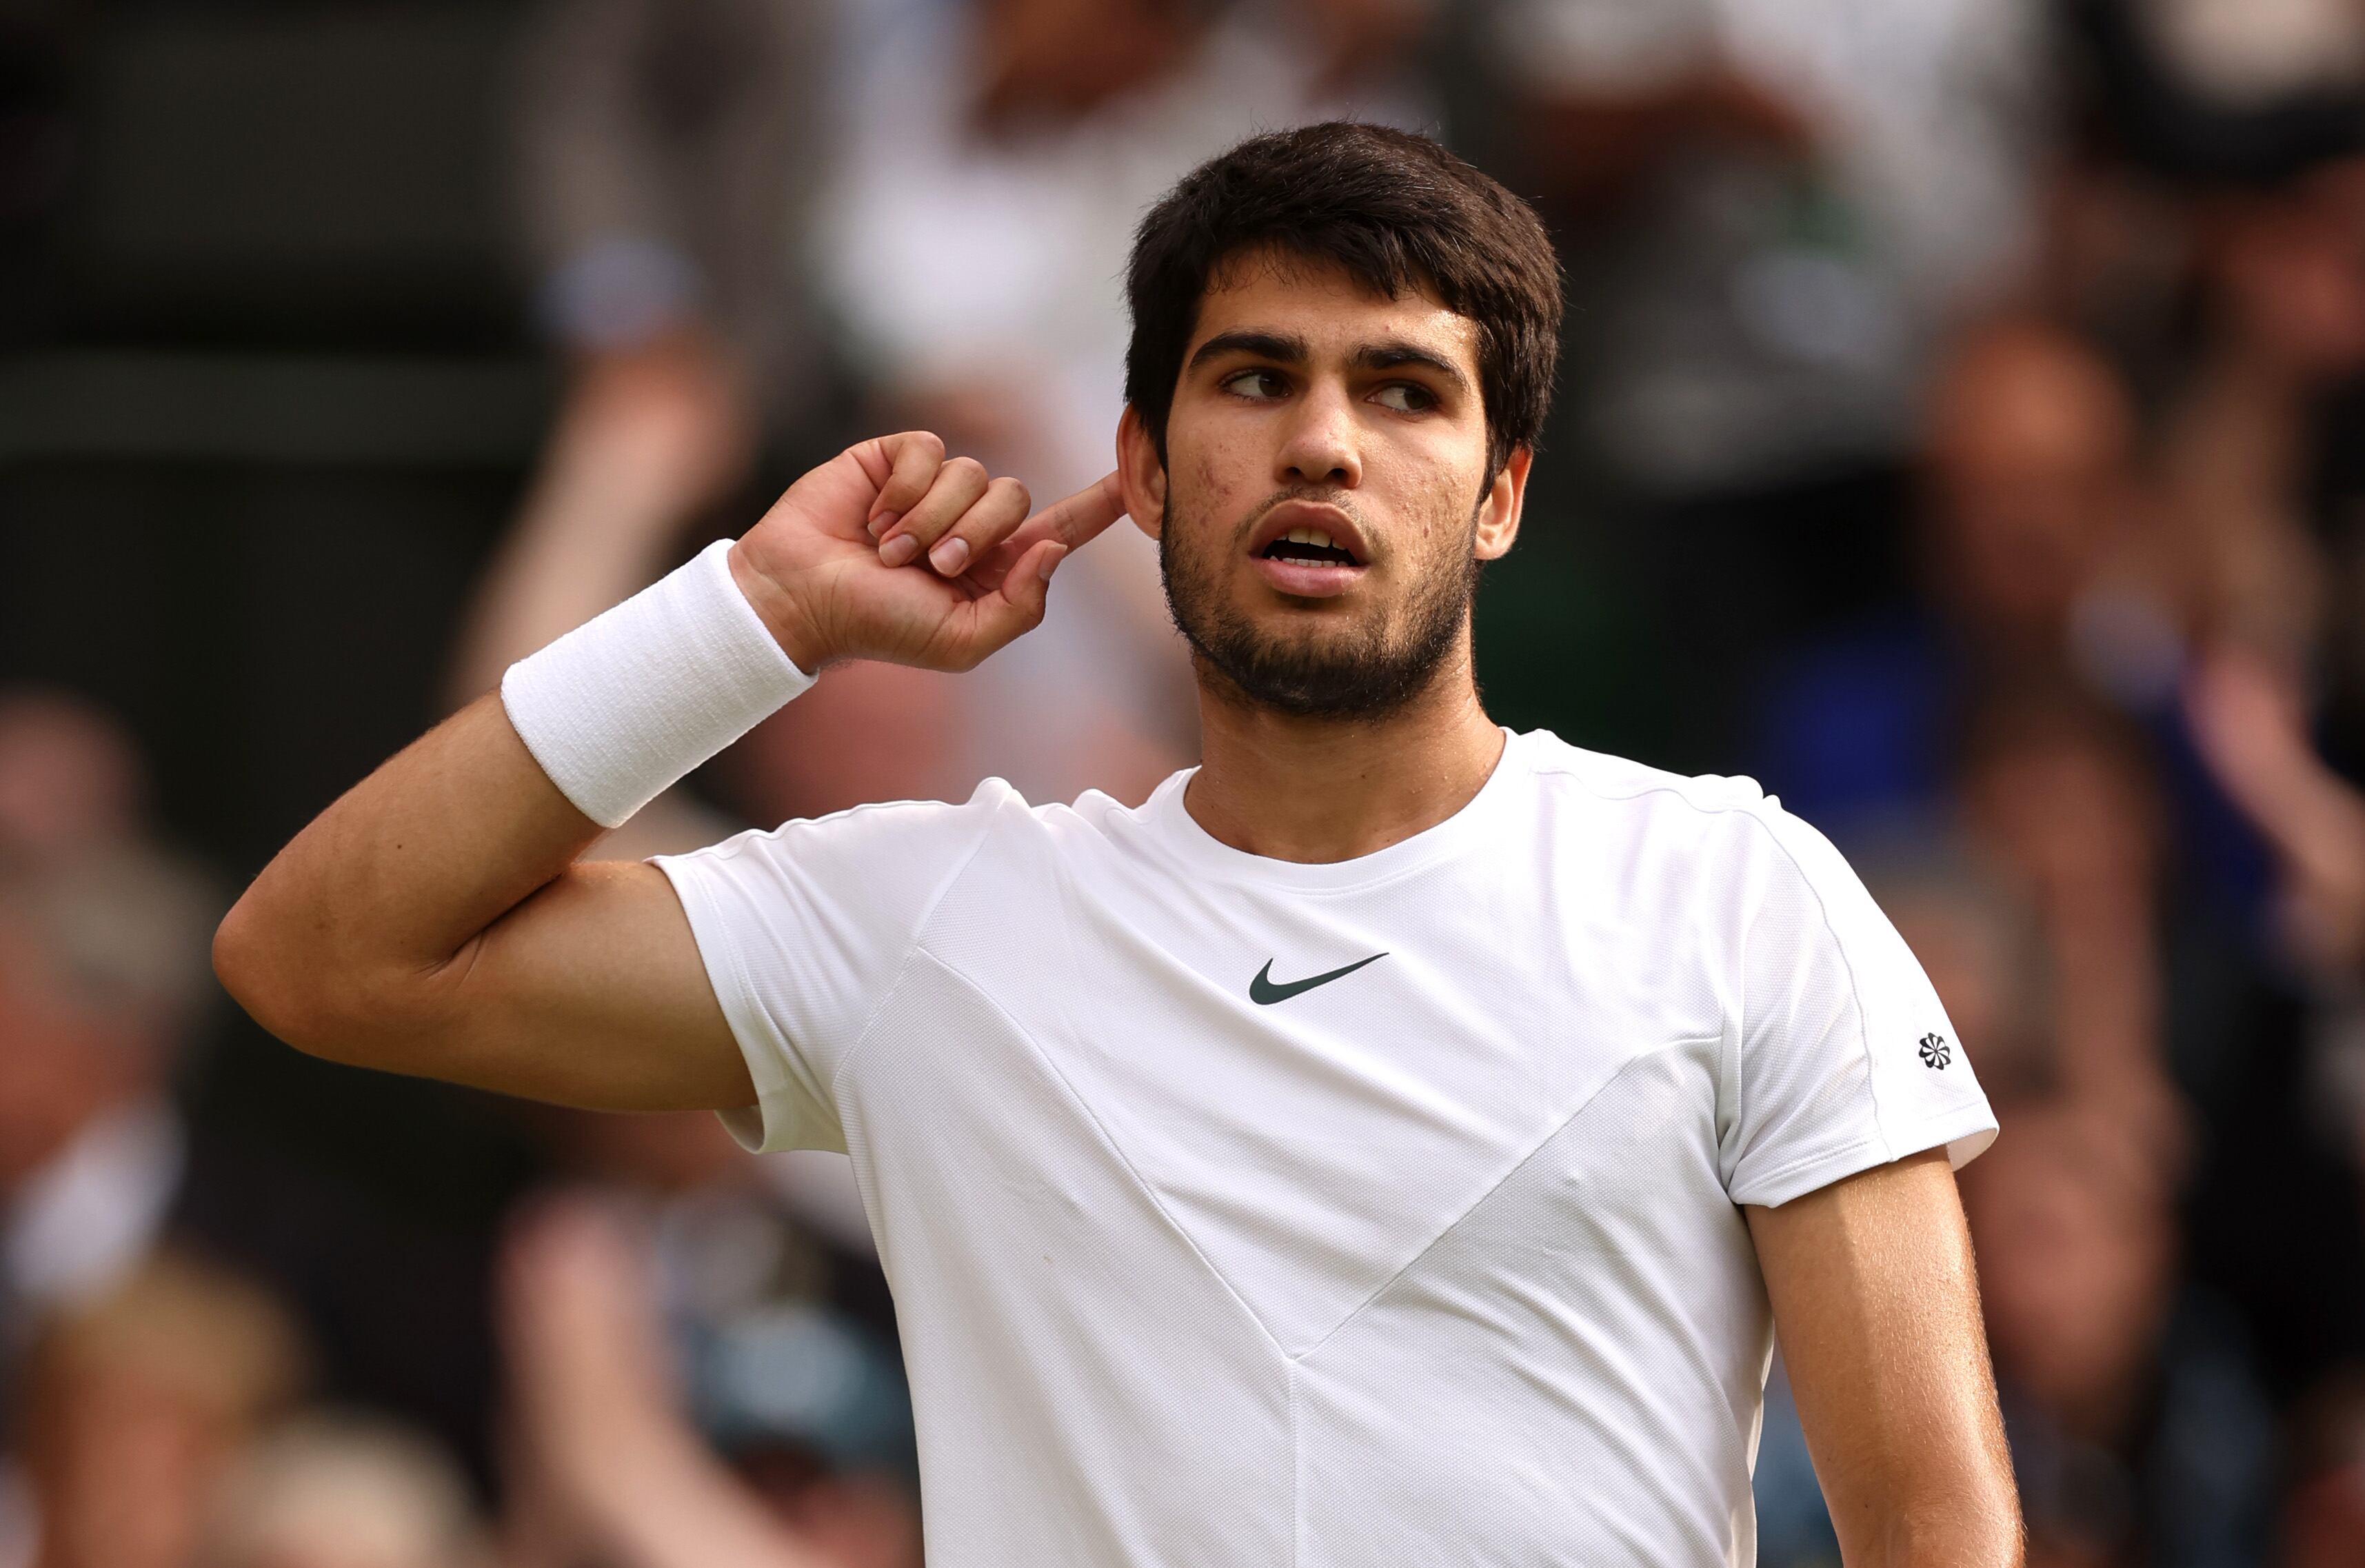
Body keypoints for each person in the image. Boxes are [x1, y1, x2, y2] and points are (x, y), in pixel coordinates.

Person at [214, 123, 2021, 1562]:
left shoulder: (1739, 889)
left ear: (1502, 492)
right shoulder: (923, 918)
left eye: (1404, 390)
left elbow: (1937, 1527)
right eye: (1254, 380)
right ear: (1145, 469)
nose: (1322, 439)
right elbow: (321, 955)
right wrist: (758, 607)